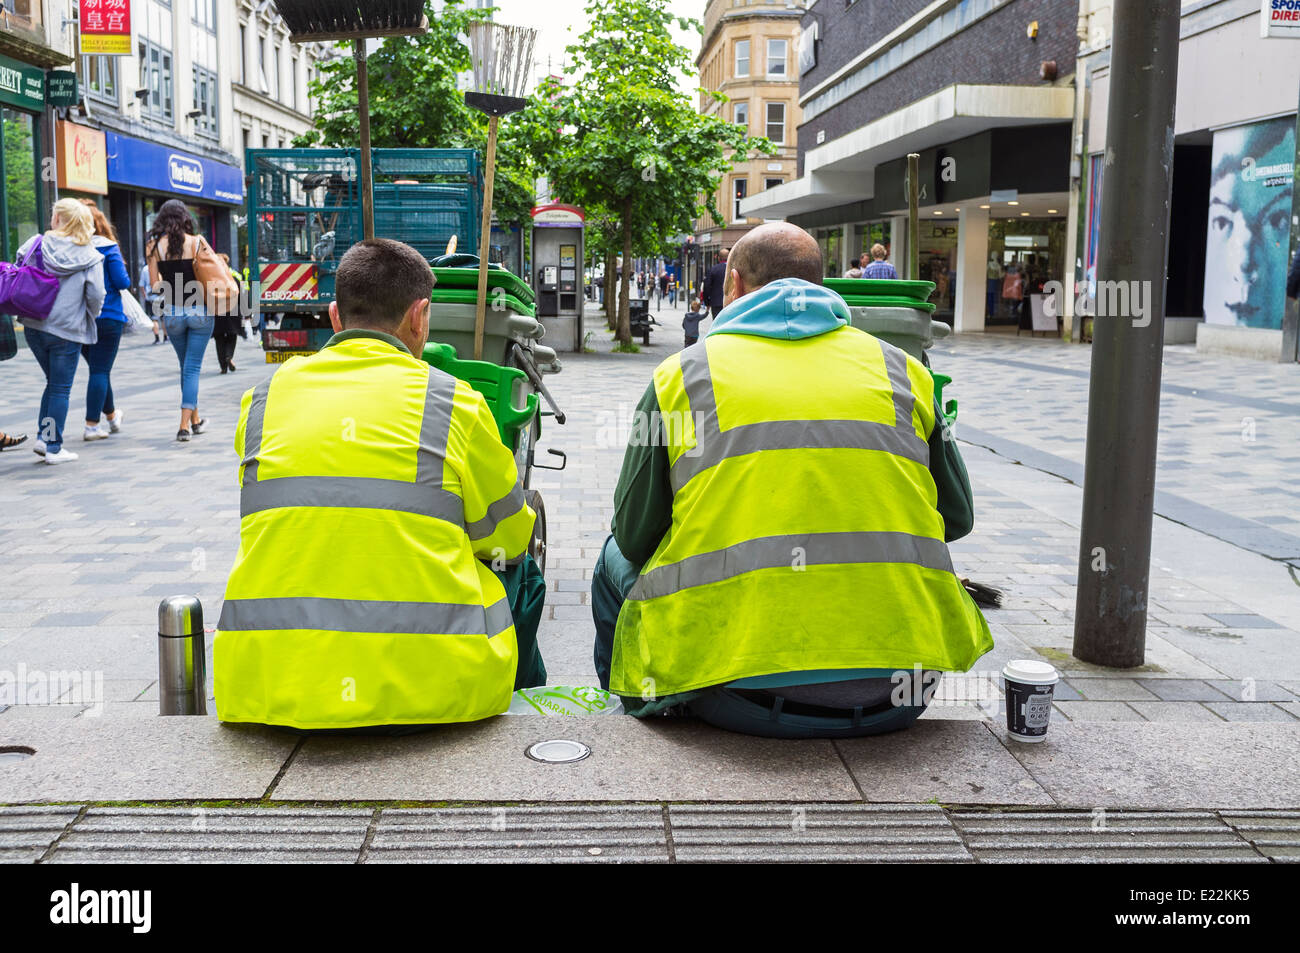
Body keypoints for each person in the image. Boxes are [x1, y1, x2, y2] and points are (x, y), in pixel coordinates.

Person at [590, 222, 991, 739]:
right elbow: (957, 520)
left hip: (733, 693)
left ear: (732, 284)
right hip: (901, 693)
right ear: (825, 286)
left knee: (611, 560)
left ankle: (620, 728)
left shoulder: (683, 376)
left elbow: (634, 535)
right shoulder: (904, 371)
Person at [214, 238, 546, 731]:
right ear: (420, 316)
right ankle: (528, 721)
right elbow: (512, 538)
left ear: (333, 315)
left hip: (266, 690)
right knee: (522, 575)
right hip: (438, 692)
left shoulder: (262, 400)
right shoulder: (454, 401)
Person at [19, 199, 105, 465]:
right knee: (60, 388)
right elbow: (96, 295)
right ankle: (54, 447)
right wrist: (92, 313)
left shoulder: (35, 243)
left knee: (53, 384)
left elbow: (19, 269)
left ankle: (44, 439)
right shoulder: (89, 253)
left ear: (58, 219)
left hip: (34, 325)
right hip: (68, 330)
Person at [146, 199, 214, 442]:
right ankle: (184, 426)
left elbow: (154, 285)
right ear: (186, 218)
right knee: (192, 368)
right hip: (199, 312)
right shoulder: (197, 243)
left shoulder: (154, 247)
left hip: (173, 313)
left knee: (186, 368)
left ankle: (195, 420)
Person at [79, 201, 131, 441]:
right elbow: (122, 282)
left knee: (98, 369)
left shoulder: (71, 247)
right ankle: (91, 425)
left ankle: (111, 417)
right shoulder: (108, 248)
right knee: (100, 370)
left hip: (79, 318)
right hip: (108, 315)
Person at [212, 252, 242, 374]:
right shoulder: (233, 278)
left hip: (217, 312)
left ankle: (223, 367)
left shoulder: (210, 279)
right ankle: (229, 356)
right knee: (232, 336)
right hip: (232, 311)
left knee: (219, 339)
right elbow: (241, 295)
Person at [139, 261, 164, 343]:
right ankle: (166, 337)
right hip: (163, 296)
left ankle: (157, 339)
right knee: (164, 318)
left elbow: (141, 285)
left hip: (152, 297)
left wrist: (145, 296)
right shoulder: (161, 266)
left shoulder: (145, 269)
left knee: (154, 319)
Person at [701, 247, 729, 319]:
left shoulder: (713, 270)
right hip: (731, 302)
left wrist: (707, 302)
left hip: (716, 303)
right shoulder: (734, 269)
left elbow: (706, 287)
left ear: (719, 258)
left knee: (718, 325)